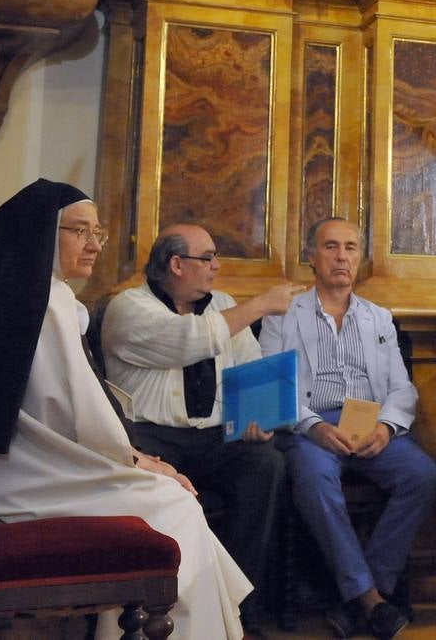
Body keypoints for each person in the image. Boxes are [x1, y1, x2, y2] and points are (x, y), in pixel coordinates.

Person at [0, 179, 253, 639]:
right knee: (177, 504)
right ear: (43, 233)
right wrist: (140, 461)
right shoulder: (45, 302)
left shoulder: (12, 291)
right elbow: (76, 414)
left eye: (98, 233)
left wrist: (135, 461)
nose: (94, 245)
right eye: (80, 231)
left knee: (172, 499)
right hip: (17, 475)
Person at [100, 224, 304, 632]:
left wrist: (257, 419)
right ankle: (161, 610)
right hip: (150, 438)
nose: (216, 265)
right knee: (161, 489)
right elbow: (187, 341)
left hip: (213, 435)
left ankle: (240, 606)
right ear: (176, 264)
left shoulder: (222, 304)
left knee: (266, 464)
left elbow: (248, 366)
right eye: (207, 257)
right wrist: (261, 304)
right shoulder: (128, 307)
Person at [260, 217, 436, 640]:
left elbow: (401, 388)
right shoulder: (282, 315)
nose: (342, 257)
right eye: (332, 247)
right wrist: (313, 426)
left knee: (423, 476)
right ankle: (373, 602)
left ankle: (357, 597)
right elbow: (271, 385)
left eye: (351, 248)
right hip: (309, 427)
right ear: (311, 257)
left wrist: (387, 428)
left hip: (370, 423)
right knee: (316, 480)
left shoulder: (378, 318)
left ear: (360, 258)